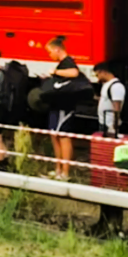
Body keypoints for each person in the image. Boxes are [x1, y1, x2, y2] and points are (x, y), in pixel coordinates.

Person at [44, 37, 80, 179]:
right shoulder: (61, 64)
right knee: (55, 136)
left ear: (57, 49)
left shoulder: (68, 62)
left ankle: (65, 172)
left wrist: (55, 72)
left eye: (50, 52)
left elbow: (74, 73)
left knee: (64, 137)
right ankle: (58, 169)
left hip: (64, 106)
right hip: (56, 105)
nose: (49, 55)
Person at [94, 61, 125, 137]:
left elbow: (117, 107)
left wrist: (114, 126)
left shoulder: (116, 86)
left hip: (110, 125)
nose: (97, 77)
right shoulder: (106, 84)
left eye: (97, 74)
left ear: (103, 72)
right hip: (104, 123)